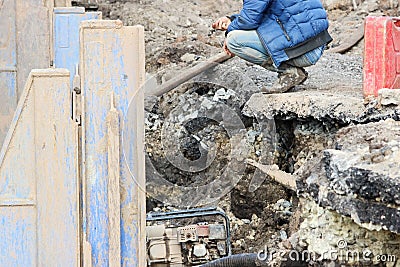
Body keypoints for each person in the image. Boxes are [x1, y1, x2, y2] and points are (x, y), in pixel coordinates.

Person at [212, 0, 332, 93]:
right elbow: (265, 11)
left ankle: (289, 71)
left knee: (234, 40)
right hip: (316, 43)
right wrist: (232, 20)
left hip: (304, 51)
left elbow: (250, 20)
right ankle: (290, 70)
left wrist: (230, 31)